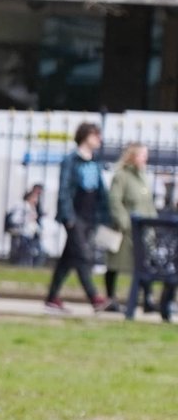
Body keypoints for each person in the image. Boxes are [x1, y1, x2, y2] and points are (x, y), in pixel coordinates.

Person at [45, 120, 109, 312]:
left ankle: (52, 297)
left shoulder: (95, 161)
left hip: (90, 216)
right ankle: (94, 297)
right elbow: (64, 189)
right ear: (85, 137)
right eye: (95, 135)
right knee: (82, 256)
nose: (99, 139)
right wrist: (67, 215)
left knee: (68, 258)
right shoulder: (71, 160)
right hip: (74, 215)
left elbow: (100, 190)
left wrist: (105, 214)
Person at [107, 141, 151, 309]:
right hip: (124, 230)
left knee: (143, 265)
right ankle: (111, 298)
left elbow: (148, 204)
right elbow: (114, 200)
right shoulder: (122, 176)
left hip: (141, 230)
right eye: (142, 155)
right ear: (133, 156)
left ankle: (147, 299)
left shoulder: (143, 177)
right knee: (115, 266)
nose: (145, 159)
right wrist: (125, 222)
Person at [5, 184, 44, 267]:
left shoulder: (32, 208)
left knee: (38, 252)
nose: (36, 200)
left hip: (31, 233)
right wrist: (27, 219)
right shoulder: (22, 206)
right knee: (25, 252)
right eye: (34, 198)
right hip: (23, 233)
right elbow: (15, 219)